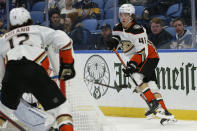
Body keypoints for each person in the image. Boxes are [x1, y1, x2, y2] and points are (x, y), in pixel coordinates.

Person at [0, 7, 75, 131]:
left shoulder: (3, 39)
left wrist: (6, 89)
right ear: (29, 19)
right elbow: (63, 39)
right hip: (34, 71)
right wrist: (67, 66)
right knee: (62, 108)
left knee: (3, 113)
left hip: (11, 75)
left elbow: (2, 73)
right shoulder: (37, 30)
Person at [106, 4, 176, 124]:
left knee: (136, 77)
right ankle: (165, 113)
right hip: (136, 57)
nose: (123, 17)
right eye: (121, 14)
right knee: (150, 84)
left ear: (132, 16)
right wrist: (113, 42)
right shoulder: (117, 27)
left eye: (126, 15)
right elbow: (118, 39)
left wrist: (132, 64)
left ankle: (153, 103)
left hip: (150, 56)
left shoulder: (138, 29)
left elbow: (142, 52)